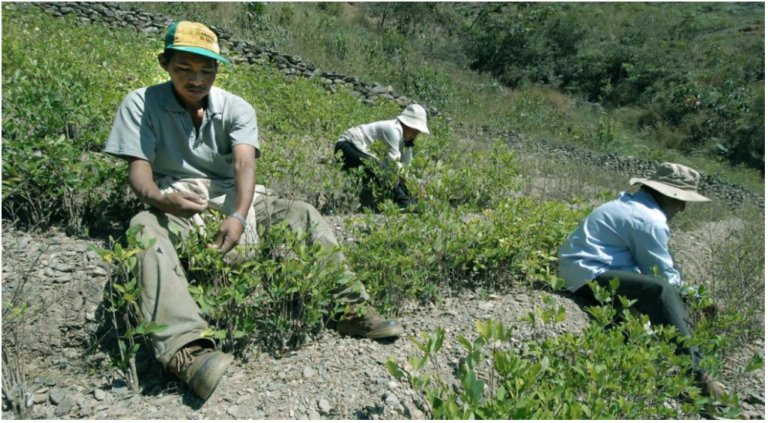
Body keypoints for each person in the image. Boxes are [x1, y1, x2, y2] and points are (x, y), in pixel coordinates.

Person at [104, 21, 403, 401]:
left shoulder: (236, 107)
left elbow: (245, 165)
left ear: (217, 70)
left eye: (206, 70)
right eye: (184, 69)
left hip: (232, 194)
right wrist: (161, 201)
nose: (197, 79)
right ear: (165, 64)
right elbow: (139, 171)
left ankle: (349, 309)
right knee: (143, 227)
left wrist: (238, 216)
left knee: (301, 213)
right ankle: (186, 352)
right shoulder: (140, 103)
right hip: (175, 197)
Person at [557, 162, 725, 399]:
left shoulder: (632, 205)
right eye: (681, 201)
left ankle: (665, 360)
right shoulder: (649, 220)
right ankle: (699, 376)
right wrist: (699, 299)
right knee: (660, 291)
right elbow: (662, 276)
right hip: (589, 274)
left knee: (660, 296)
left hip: (583, 270)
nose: (683, 208)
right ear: (668, 196)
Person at [334, 105, 430, 210]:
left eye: (418, 132)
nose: (416, 135)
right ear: (407, 125)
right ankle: (403, 202)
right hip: (346, 146)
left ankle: (405, 201)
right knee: (378, 168)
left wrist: (415, 185)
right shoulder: (393, 129)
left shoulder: (407, 142)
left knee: (385, 171)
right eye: (415, 131)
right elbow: (393, 163)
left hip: (362, 153)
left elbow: (406, 168)